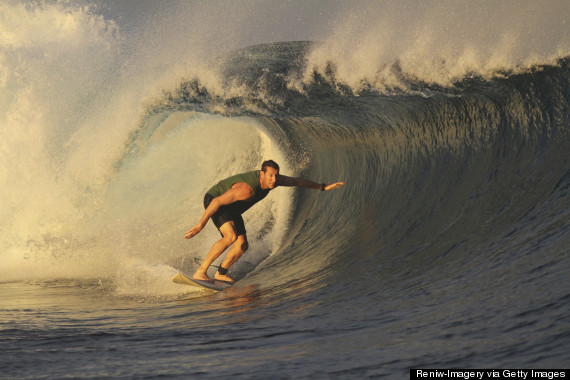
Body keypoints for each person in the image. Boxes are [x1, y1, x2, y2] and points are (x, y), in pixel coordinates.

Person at [185, 160, 345, 283]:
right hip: (216, 200)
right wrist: (201, 225)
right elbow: (217, 202)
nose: (274, 180)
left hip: (232, 208)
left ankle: (220, 273)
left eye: (276, 175)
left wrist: (323, 187)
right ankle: (201, 271)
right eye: (270, 175)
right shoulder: (246, 189)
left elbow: (297, 181)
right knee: (230, 237)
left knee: (242, 245)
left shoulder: (274, 181)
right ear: (262, 174)